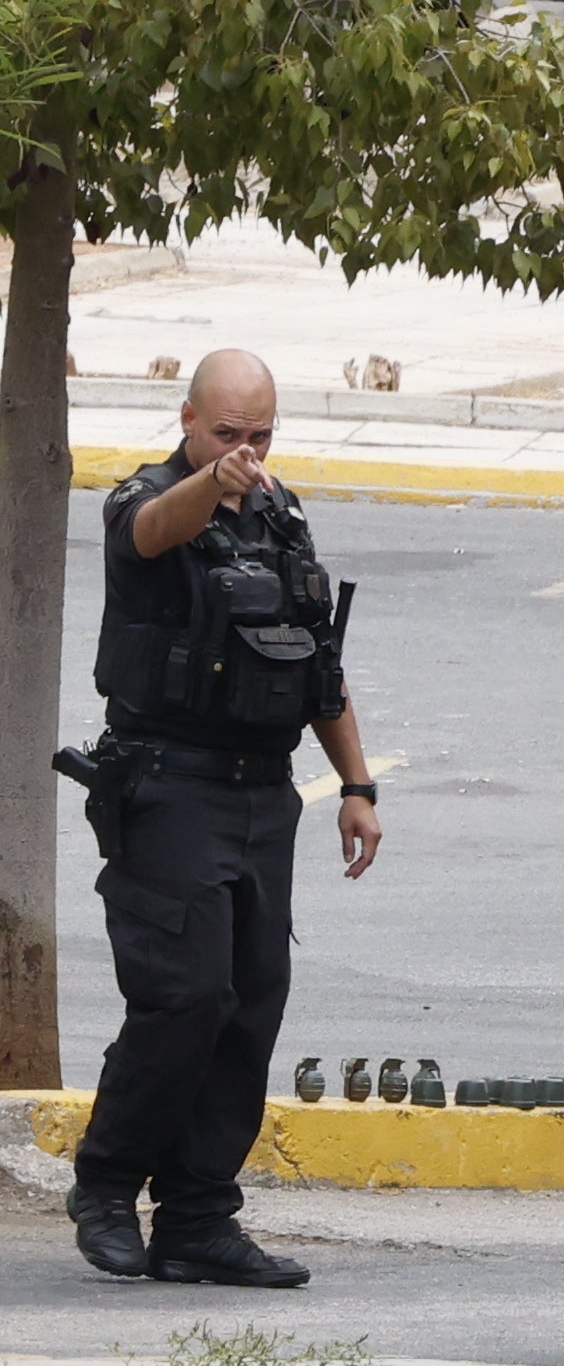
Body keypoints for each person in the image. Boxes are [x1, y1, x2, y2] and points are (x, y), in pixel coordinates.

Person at [66, 351, 382, 1289]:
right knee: (185, 997)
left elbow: (317, 664)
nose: (246, 450)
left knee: (250, 1004)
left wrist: (358, 786)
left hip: (261, 793)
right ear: (188, 421)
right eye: (226, 434)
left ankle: (199, 1219)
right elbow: (154, 532)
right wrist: (213, 481)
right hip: (168, 789)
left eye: (261, 435)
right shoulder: (146, 500)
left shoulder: (282, 518)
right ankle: (107, 1184)